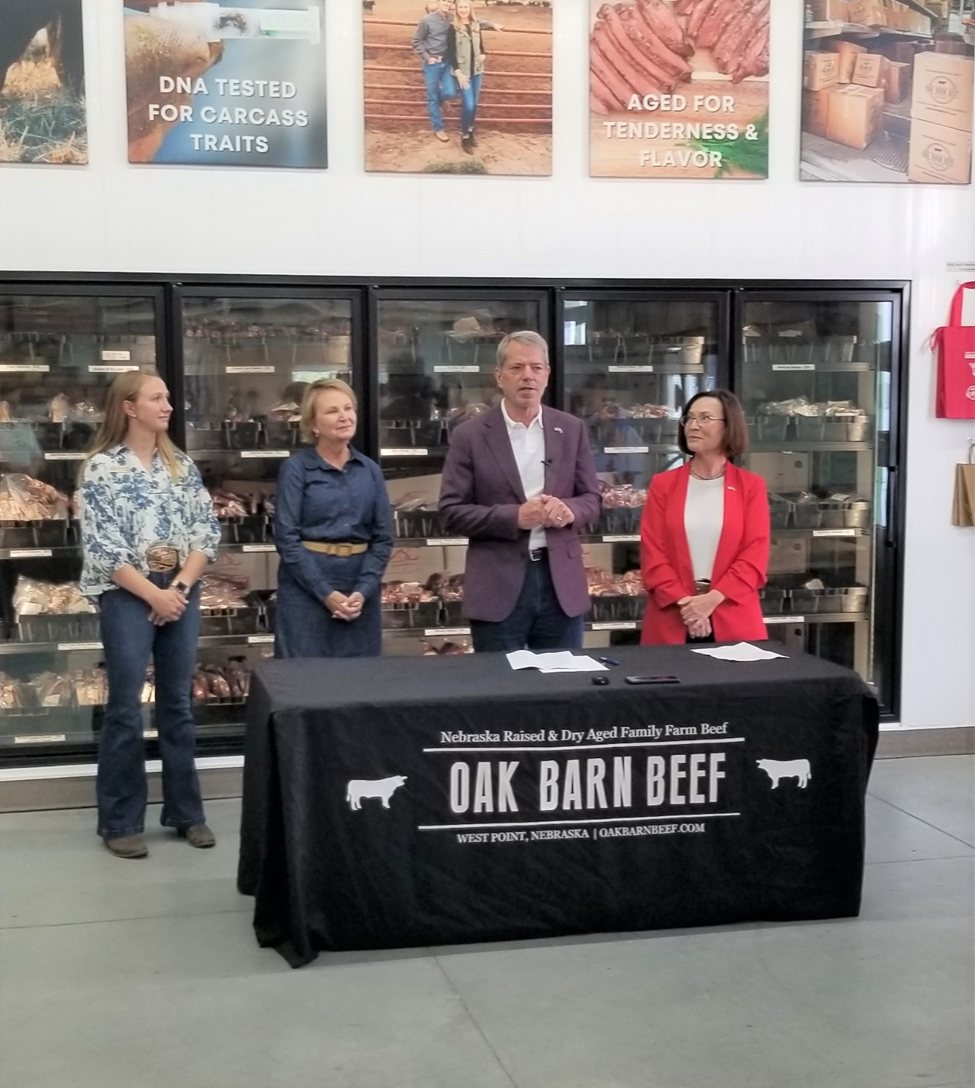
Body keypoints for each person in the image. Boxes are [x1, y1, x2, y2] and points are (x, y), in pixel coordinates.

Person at [78, 371, 221, 860]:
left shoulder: (181, 465)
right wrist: (152, 596)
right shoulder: (101, 469)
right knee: (124, 707)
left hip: (178, 590)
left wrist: (177, 589)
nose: (168, 405)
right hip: (127, 594)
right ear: (129, 407)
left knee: (178, 704)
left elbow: (207, 534)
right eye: (156, 398)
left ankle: (188, 814)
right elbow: (102, 547)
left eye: (168, 397)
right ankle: (119, 821)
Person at [439, 330, 601, 652]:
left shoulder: (571, 429)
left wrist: (570, 511)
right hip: (497, 585)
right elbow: (451, 512)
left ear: (547, 375)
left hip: (560, 587)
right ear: (499, 376)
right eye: (517, 368)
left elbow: (592, 500)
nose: (527, 376)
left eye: (536, 368)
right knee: (501, 691)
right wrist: (515, 517)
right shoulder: (469, 436)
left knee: (562, 689)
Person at [274, 379, 393, 659]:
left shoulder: (370, 471)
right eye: (332, 411)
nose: (344, 417)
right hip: (306, 588)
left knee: (359, 682)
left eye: (348, 408)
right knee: (305, 682)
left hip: (359, 591)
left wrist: (363, 591)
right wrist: (326, 593)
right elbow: (286, 539)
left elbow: (384, 539)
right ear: (313, 425)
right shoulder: (296, 470)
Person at [639, 389, 770, 645]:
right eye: (689, 418)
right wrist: (690, 608)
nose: (693, 426)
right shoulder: (663, 484)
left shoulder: (750, 487)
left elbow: (754, 556)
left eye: (705, 418)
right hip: (673, 616)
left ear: (728, 427)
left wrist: (711, 600)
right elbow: (652, 554)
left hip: (733, 617)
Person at [412, 0, 458, 144]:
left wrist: (492, 25)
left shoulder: (452, 18)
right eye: (444, 0)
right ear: (438, 1)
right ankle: (438, 128)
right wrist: (427, 58)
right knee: (432, 97)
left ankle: (443, 98)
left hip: (447, 62)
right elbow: (416, 41)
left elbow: (473, 20)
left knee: (451, 92)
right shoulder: (427, 20)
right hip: (432, 63)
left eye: (450, 1)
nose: (447, 3)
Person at [446, 0, 489, 154]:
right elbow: (450, 52)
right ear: (456, 9)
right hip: (463, 72)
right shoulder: (453, 27)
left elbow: (481, 45)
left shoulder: (476, 25)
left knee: (475, 104)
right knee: (468, 105)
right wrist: (458, 72)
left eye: (466, 7)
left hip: (477, 70)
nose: (463, 10)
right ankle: (464, 136)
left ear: (470, 9)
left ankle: (470, 132)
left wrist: (484, 54)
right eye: (460, 7)